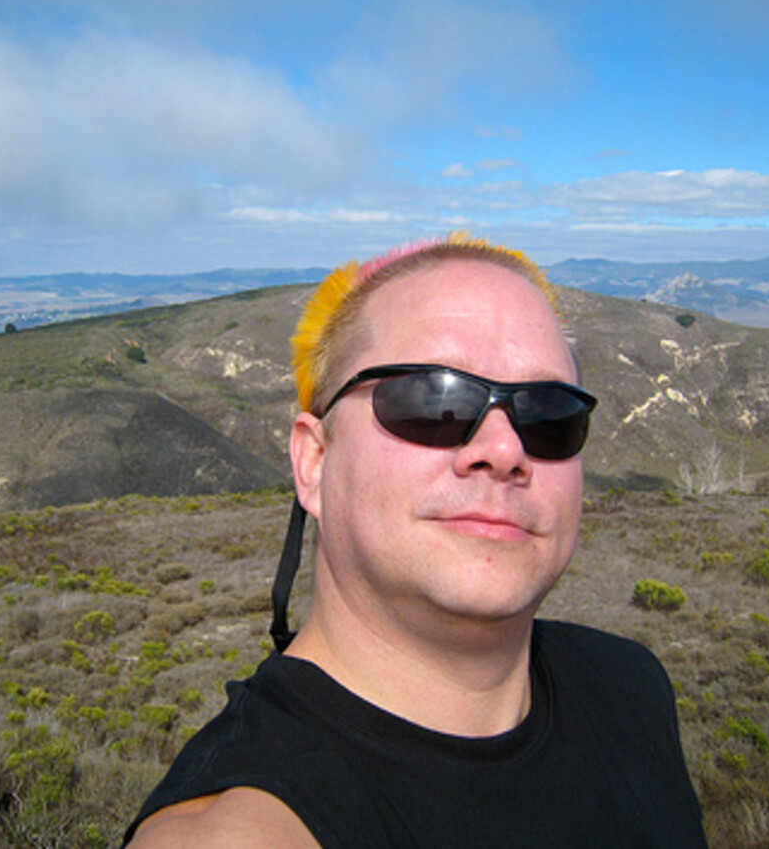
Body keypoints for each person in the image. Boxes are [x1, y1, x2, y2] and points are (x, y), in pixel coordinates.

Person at [125, 235, 707, 847]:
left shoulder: (631, 688)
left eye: (548, 414)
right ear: (314, 462)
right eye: (434, 400)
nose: (505, 450)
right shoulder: (240, 830)